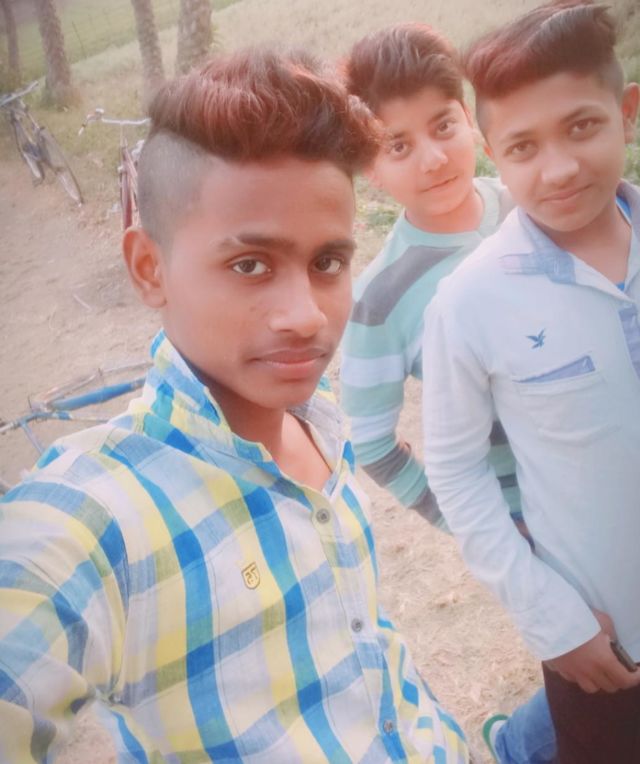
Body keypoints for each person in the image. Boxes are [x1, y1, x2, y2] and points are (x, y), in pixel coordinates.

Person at [0, 49, 470, 763]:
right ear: (149, 268)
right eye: (250, 265)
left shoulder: (316, 416)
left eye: (328, 263)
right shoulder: (98, 518)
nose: (305, 316)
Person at [421, 2, 640, 762]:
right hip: (609, 643)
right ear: (492, 154)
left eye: (582, 126)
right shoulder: (469, 302)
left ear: (627, 112)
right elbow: (455, 468)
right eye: (523, 146)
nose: (559, 168)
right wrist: (550, 618)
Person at [339, 24, 555, 764]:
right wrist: (474, 523)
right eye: (398, 145)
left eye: (442, 126)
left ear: (471, 120)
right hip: (529, 522)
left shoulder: (538, 206)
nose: (432, 158)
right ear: (371, 168)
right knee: (594, 653)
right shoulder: (381, 298)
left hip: (609, 467)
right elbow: (371, 443)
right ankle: (520, 747)